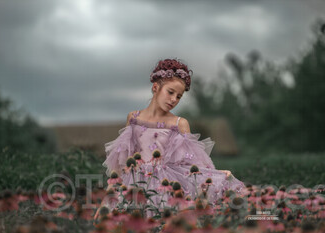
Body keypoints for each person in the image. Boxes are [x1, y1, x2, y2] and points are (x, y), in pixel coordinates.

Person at [99, 58, 245, 215]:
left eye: (179, 96)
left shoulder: (179, 123)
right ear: (155, 87)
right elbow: (121, 166)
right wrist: (105, 205)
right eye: (170, 92)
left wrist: (217, 175)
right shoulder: (133, 118)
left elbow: (192, 165)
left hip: (165, 188)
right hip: (134, 185)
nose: (174, 100)